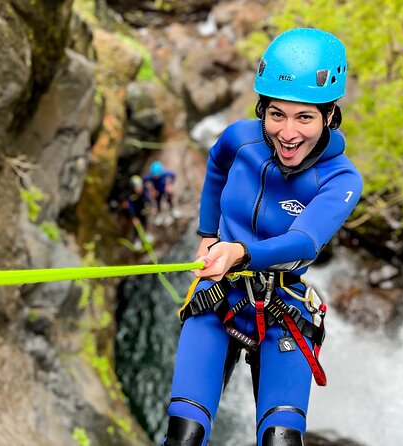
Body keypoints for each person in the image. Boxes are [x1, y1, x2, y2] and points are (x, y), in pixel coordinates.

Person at [162, 28, 363, 446]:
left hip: (283, 308)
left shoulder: (340, 179)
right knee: (184, 436)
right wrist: (206, 233)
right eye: (277, 114)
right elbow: (216, 167)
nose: (288, 133)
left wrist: (238, 250)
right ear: (262, 109)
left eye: (304, 117)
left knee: (281, 441)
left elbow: (304, 242)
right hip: (218, 297)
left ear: (329, 116)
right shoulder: (240, 139)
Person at [144, 160, 179, 225]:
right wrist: (151, 190)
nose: (156, 177)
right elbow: (144, 182)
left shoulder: (165, 173)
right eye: (155, 175)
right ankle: (159, 214)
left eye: (158, 175)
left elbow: (173, 175)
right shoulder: (149, 177)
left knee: (170, 198)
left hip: (165, 189)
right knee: (158, 202)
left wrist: (170, 184)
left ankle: (173, 210)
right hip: (157, 191)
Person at [122, 175, 152, 250]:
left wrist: (150, 206)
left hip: (142, 209)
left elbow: (147, 198)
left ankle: (147, 235)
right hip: (135, 212)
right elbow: (130, 207)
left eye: (140, 186)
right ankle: (137, 241)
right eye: (137, 187)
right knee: (137, 227)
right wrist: (133, 217)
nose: (139, 188)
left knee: (145, 222)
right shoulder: (130, 195)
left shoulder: (143, 190)